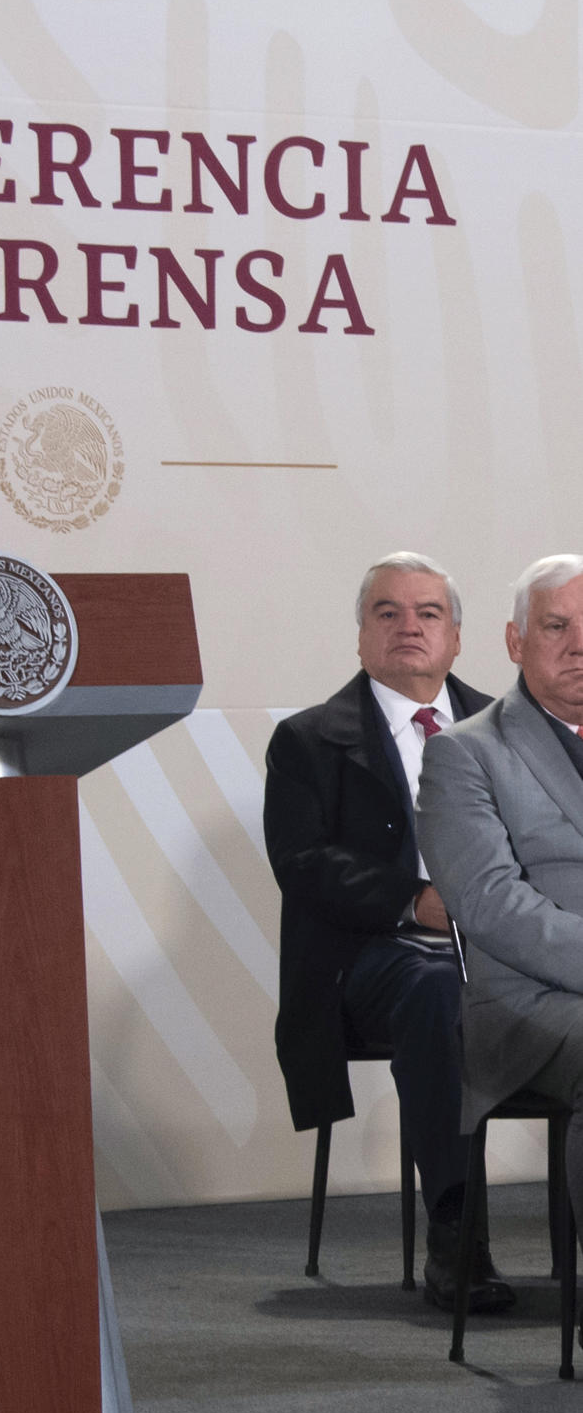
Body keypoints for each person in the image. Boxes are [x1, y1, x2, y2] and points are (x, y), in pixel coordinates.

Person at [263, 553, 513, 1312]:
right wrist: (415, 902)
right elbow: (302, 863)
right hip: (370, 964)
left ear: (457, 637)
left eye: (427, 613)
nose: (408, 627)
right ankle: (456, 1237)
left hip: (502, 955)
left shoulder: (511, 730)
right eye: (387, 612)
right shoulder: (308, 740)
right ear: (361, 637)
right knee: (438, 989)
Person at [418, 555, 583, 1268]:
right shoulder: (464, 754)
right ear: (515, 642)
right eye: (556, 627)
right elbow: (489, 905)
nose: (578, 645)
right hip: (527, 1001)